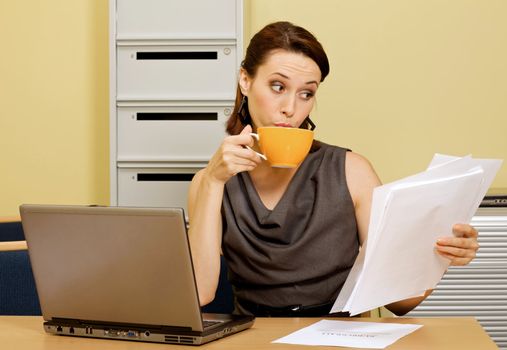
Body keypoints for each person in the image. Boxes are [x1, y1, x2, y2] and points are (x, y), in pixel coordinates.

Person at [188, 21, 479, 317]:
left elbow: (399, 302)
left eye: (306, 94)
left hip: (341, 335)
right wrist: (213, 181)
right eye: (278, 87)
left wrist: (439, 256)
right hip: (253, 336)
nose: (291, 107)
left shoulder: (352, 172)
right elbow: (200, 292)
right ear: (245, 81)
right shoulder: (210, 181)